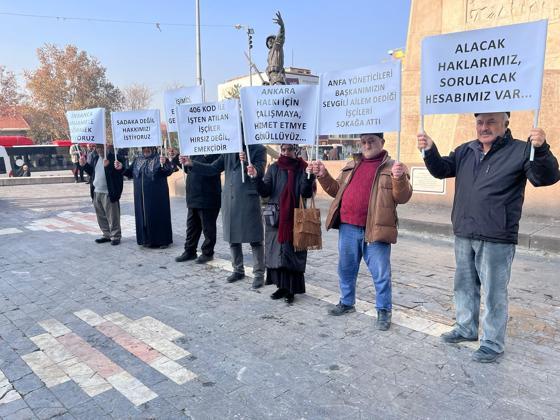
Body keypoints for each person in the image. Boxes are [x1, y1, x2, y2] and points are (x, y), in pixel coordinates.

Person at [417, 112, 560, 362]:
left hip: (497, 235)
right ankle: (466, 328)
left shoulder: (521, 150)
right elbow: (441, 170)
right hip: (464, 231)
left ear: (506, 123)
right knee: (464, 287)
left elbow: (545, 177)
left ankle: (492, 343)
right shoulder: (465, 150)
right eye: (480, 122)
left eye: (491, 121)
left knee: (494, 293)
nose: (484, 127)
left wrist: (542, 149)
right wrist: (430, 150)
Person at [311, 133, 412, 330]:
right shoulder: (352, 164)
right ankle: (347, 302)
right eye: (364, 141)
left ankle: (384, 310)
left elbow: (403, 196)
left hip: (376, 228)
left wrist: (399, 179)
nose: (367, 145)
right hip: (348, 226)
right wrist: (323, 175)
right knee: (346, 268)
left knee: (381, 272)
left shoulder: (394, 167)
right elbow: (335, 190)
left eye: (371, 141)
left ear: (382, 142)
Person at [180, 144, 267, 289]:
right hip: (229, 199)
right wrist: (191, 163)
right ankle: (237, 269)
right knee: (232, 236)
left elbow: (259, 172)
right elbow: (213, 168)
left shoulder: (258, 149)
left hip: (248, 198)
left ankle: (259, 274)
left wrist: (246, 162)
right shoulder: (229, 149)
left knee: (255, 238)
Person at [247, 144, 315, 304]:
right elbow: (265, 190)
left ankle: (291, 289)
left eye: (289, 149)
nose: (285, 153)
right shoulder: (274, 167)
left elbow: (306, 193)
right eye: (283, 150)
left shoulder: (303, 168)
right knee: (277, 253)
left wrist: (309, 177)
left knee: (292, 253)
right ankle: (281, 286)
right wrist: (256, 176)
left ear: (295, 150)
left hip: (295, 217)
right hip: (276, 218)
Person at [115, 147, 174, 248]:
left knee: (158, 216)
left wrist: (165, 163)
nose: (146, 150)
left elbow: (168, 171)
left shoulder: (159, 159)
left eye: (148, 148)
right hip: (140, 197)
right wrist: (121, 167)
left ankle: (162, 241)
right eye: (144, 148)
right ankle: (146, 240)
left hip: (157, 197)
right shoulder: (138, 159)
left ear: (153, 149)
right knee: (144, 218)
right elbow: (130, 173)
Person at [173, 151, 222, 264]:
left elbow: (212, 169)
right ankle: (190, 251)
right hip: (193, 195)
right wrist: (176, 158)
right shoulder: (194, 151)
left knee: (208, 228)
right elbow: (188, 169)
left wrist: (196, 161)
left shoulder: (217, 151)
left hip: (208, 195)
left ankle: (207, 253)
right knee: (191, 227)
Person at [79, 144, 123, 245]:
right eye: (97, 148)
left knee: (113, 216)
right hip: (96, 191)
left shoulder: (114, 158)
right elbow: (92, 172)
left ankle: (115, 236)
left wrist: (109, 166)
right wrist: (84, 165)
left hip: (108, 192)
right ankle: (106, 234)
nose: (99, 150)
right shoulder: (95, 158)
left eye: (100, 147)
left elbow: (118, 175)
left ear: (106, 146)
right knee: (101, 216)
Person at [265, 11, 286, 85]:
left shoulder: (277, 48)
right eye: (268, 41)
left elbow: (280, 37)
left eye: (271, 40)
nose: (269, 41)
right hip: (272, 79)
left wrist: (282, 26)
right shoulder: (270, 54)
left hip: (278, 78)